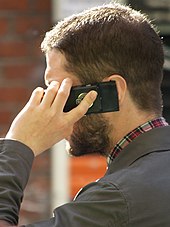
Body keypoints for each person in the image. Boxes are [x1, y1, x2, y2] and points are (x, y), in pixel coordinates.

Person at [0, 2, 170, 226]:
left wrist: (19, 144)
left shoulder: (119, 199)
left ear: (113, 91)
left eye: (61, 91)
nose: (52, 105)